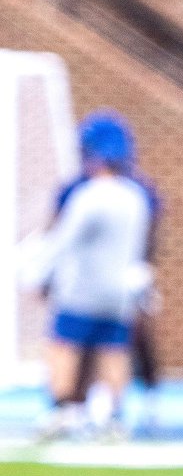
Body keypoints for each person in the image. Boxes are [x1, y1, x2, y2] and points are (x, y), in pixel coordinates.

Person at [33, 111, 152, 440]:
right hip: (118, 291)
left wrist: (37, 275)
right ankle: (114, 416)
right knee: (113, 350)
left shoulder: (87, 196)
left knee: (64, 345)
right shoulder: (136, 197)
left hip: (81, 289)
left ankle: (62, 410)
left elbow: (63, 241)